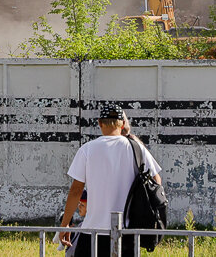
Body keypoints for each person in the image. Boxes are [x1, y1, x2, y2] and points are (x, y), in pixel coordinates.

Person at [60, 103, 161, 257]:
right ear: (122, 124)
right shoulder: (136, 148)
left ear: (100, 123)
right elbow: (156, 181)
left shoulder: (87, 149)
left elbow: (76, 190)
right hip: (126, 231)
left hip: (92, 231)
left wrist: (65, 224)